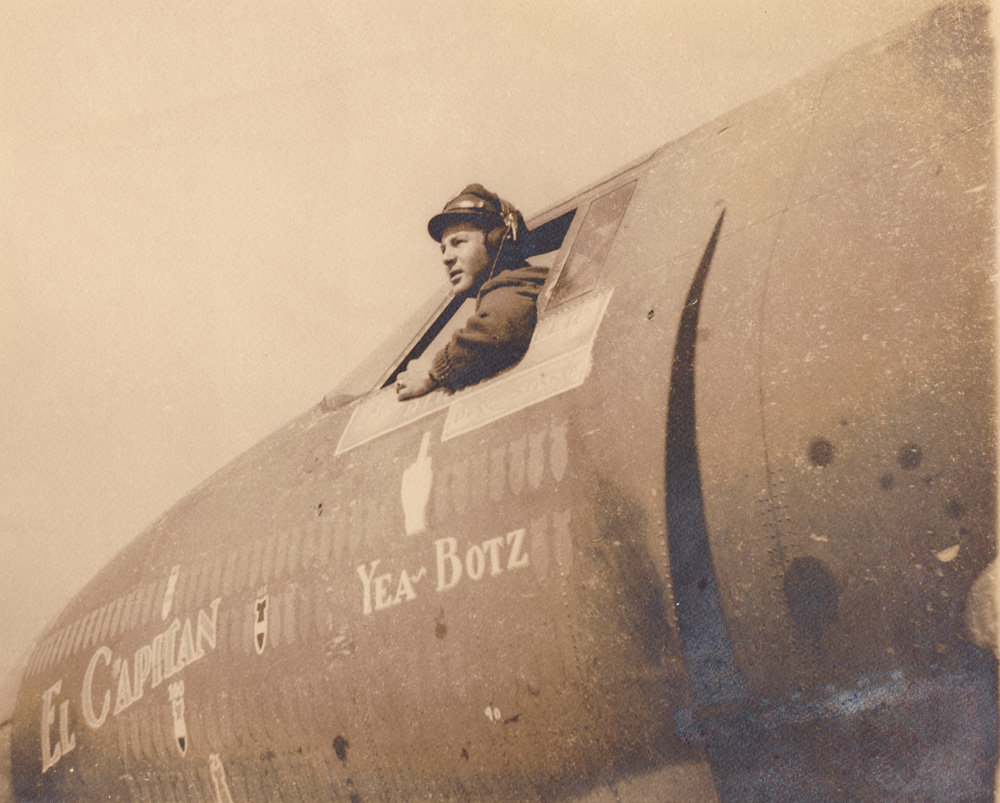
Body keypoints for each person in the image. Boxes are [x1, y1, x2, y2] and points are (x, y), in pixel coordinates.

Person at [395, 184, 548, 400]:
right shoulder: (510, 289)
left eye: (458, 242)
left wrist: (434, 370)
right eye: (444, 248)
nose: (447, 257)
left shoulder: (515, 285)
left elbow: (495, 330)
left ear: (497, 241)